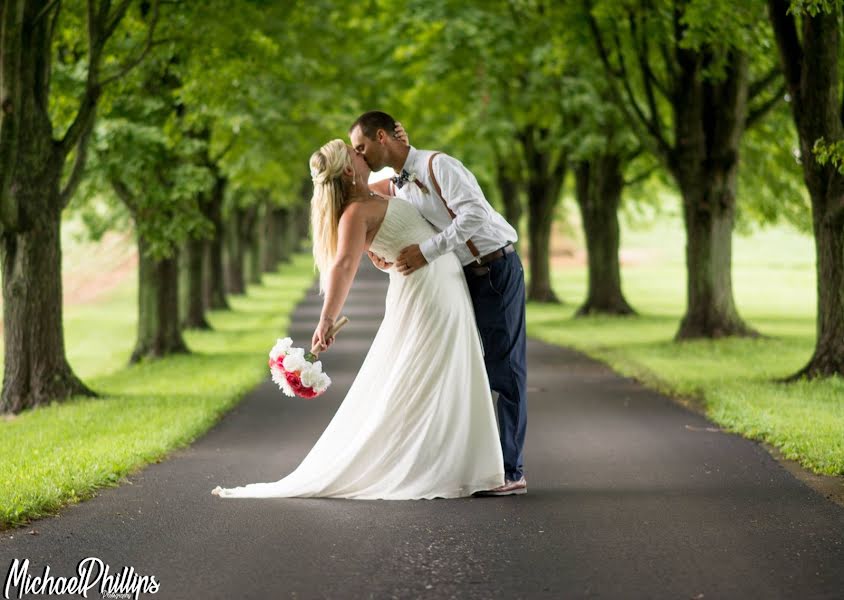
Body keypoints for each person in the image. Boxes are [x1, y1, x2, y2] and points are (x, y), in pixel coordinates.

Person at [211, 139, 504, 500]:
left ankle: (457, 461)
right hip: (427, 292)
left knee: (450, 369)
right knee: (429, 370)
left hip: (443, 285)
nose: (362, 155)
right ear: (349, 169)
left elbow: (405, 181)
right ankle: (427, 463)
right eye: (355, 154)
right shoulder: (354, 214)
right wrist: (326, 318)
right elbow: (344, 265)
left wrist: (400, 139)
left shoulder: (375, 193)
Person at [349, 111, 528, 495]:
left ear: (382, 136)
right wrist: (375, 251)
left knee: (505, 369)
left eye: (362, 148)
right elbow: (369, 207)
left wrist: (427, 251)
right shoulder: (397, 183)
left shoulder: (438, 165)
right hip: (461, 278)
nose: (360, 156)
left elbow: (475, 215)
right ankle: (476, 466)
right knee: (466, 369)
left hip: (494, 269)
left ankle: (512, 471)